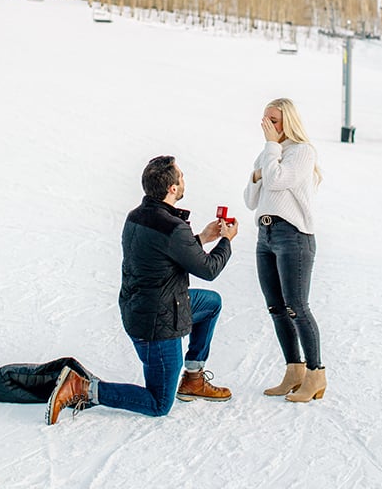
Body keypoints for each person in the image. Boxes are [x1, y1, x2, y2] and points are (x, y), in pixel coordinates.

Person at [46, 155, 238, 424]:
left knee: (210, 303)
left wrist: (204, 237)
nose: (184, 180)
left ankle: (193, 378)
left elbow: (166, 253)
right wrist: (226, 241)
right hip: (157, 326)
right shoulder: (173, 227)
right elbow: (208, 269)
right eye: (181, 176)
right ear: (172, 188)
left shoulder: (137, 216)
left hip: (146, 307)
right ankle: (82, 388)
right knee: (158, 403)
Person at [243, 98, 326, 402]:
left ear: (287, 121)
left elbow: (277, 181)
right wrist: (256, 175)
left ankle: (316, 374)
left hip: (293, 235)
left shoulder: (302, 151)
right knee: (276, 308)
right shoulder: (268, 153)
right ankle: (294, 370)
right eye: (264, 119)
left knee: (297, 307)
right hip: (264, 235)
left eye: (273, 120)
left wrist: (269, 154)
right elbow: (251, 199)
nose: (267, 125)